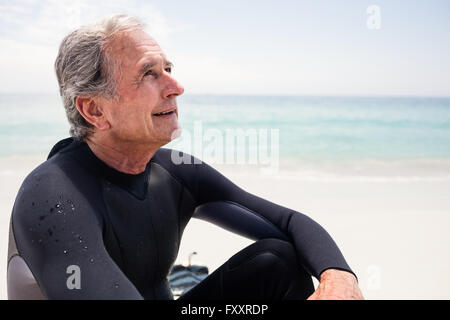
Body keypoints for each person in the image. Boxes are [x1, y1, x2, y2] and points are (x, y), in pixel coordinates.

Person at [7, 14, 363, 300]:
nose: (175, 87)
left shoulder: (174, 172)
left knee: (277, 260)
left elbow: (288, 224)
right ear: (94, 109)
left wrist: (339, 277)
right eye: (148, 74)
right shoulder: (53, 198)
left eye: (168, 69)